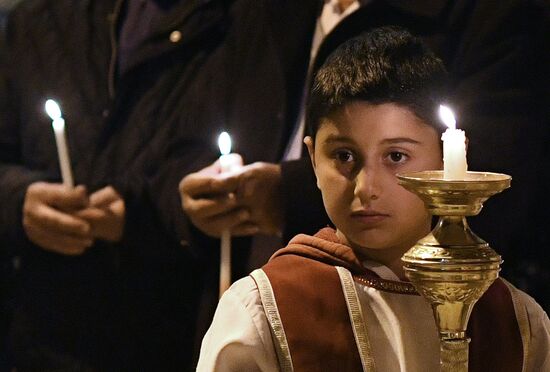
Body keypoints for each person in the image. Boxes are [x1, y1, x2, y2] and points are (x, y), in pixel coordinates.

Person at [196, 27, 550, 371]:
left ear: (448, 161)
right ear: (313, 160)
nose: (366, 188)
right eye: (344, 156)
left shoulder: (513, 320)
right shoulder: (263, 308)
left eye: (396, 156)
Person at [0, 0, 238, 369]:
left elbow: (236, 173)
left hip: (164, 339)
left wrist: (139, 213)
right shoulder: (41, 18)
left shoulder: (243, 26)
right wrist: (17, 200)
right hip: (39, 338)